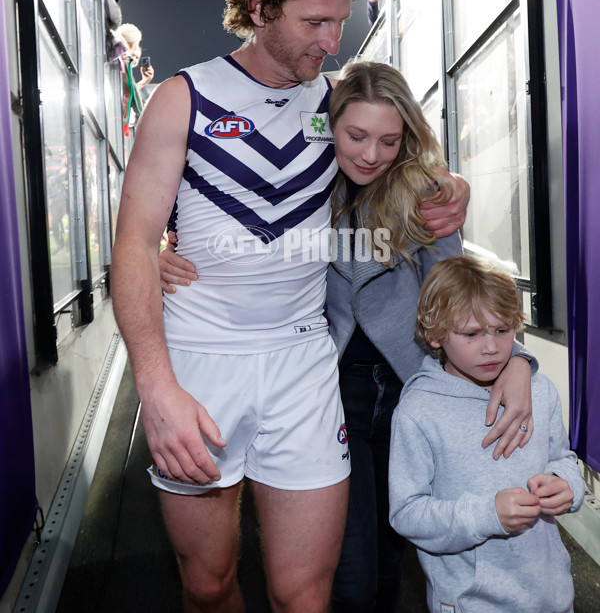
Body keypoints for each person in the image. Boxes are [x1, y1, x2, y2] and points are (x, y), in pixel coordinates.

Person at [112, 0, 471, 613]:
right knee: (209, 584)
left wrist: (454, 186)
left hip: (304, 365)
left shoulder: (338, 102)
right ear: (260, 6)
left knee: (304, 594)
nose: (333, 40)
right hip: (200, 359)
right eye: (314, 22)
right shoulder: (182, 99)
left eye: (339, 21)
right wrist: (156, 387)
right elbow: (131, 242)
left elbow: (402, 169)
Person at [159, 63, 535, 612]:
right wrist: (159, 258)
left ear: (407, 136)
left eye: (388, 139)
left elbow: (461, 294)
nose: (370, 154)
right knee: (349, 571)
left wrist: (517, 359)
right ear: (327, 128)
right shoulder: (305, 187)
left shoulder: (428, 196)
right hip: (330, 388)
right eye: (355, 135)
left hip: (414, 389)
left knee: (393, 552)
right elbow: (227, 235)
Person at [389, 255, 584, 613]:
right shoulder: (419, 411)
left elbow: (562, 458)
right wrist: (486, 515)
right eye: (471, 334)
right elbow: (407, 512)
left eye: (502, 330)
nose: (491, 347)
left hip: (552, 597)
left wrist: (567, 484)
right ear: (434, 335)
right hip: (471, 603)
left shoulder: (540, 392)